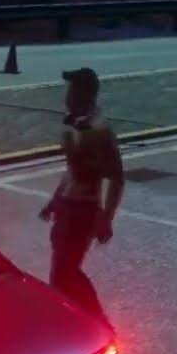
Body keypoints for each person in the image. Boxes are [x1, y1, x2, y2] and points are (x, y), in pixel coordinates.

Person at [38, 68, 123, 327]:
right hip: (66, 207)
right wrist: (54, 200)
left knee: (67, 270)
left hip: (83, 209)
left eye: (73, 90)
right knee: (59, 272)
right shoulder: (72, 125)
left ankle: (97, 320)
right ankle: (69, 321)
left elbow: (116, 178)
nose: (67, 96)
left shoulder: (99, 130)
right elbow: (72, 170)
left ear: (86, 94)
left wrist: (106, 218)